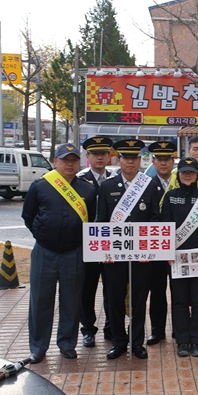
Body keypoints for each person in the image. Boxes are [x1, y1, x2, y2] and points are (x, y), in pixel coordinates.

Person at [22, 143, 97, 363]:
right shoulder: (41, 186)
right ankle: (38, 347)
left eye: (73, 160)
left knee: (71, 301)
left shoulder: (87, 190)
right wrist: (43, 233)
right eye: (65, 160)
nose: (69, 164)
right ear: (55, 162)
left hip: (74, 252)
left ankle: (67, 344)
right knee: (40, 300)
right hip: (44, 251)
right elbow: (28, 216)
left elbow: (92, 220)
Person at [97, 139, 161, 360]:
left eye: (134, 158)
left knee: (139, 300)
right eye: (126, 157)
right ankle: (118, 342)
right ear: (119, 160)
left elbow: (155, 220)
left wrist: (148, 250)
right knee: (114, 299)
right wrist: (104, 252)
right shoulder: (107, 186)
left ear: (139, 160)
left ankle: (136, 342)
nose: (130, 162)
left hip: (141, 256)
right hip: (114, 256)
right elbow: (101, 222)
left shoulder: (149, 185)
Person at [161, 158, 198, 357]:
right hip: (176, 258)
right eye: (184, 172)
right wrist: (167, 250)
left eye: (191, 172)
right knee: (178, 301)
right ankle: (182, 341)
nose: (187, 176)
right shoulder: (170, 197)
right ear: (178, 175)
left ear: (197, 175)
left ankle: (196, 340)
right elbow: (165, 224)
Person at [76, 136, 113, 348]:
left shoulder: (116, 179)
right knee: (87, 290)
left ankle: (111, 326)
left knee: (113, 289)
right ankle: (88, 330)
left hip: (112, 245)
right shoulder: (79, 180)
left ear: (109, 157)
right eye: (95, 154)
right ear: (87, 156)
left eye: (103, 154)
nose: (100, 157)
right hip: (88, 245)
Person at [145, 140, 176, 346]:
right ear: (153, 162)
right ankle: (157, 331)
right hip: (155, 247)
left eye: (167, 159)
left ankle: (180, 329)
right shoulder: (144, 185)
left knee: (180, 292)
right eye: (159, 159)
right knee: (157, 291)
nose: (163, 163)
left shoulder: (183, 182)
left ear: (173, 161)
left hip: (179, 246)